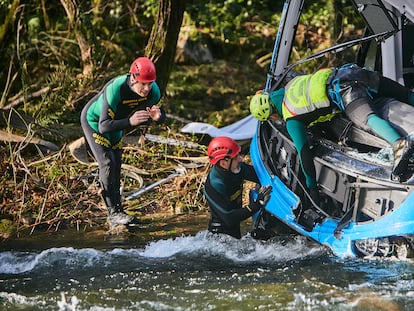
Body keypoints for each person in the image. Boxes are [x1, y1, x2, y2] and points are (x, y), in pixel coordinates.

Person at [249, 64, 414, 205]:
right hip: (351, 71)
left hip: (345, 92)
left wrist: (312, 187)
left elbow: (304, 153)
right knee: (405, 94)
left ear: (272, 115)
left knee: (368, 119)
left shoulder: (290, 116)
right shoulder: (292, 83)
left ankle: (399, 143)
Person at [81, 57, 166, 226]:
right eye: (143, 84)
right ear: (133, 78)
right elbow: (103, 126)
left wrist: (158, 117)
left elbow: (159, 115)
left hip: (118, 124)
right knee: (107, 162)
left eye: (150, 84)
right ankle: (113, 213)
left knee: (117, 164)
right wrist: (130, 122)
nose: (147, 88)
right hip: (95, 121)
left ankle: (119, 211)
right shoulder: (116, 88)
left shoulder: (154, 91)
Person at [203, 136, 272, 239]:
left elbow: (261, 177)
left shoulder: (236, 168)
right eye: (235, 157)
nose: (240, 158)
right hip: (219, 238)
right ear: (223, 163)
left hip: (234, 230)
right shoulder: (214, 185)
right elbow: (229, 218)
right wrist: (256, 205)